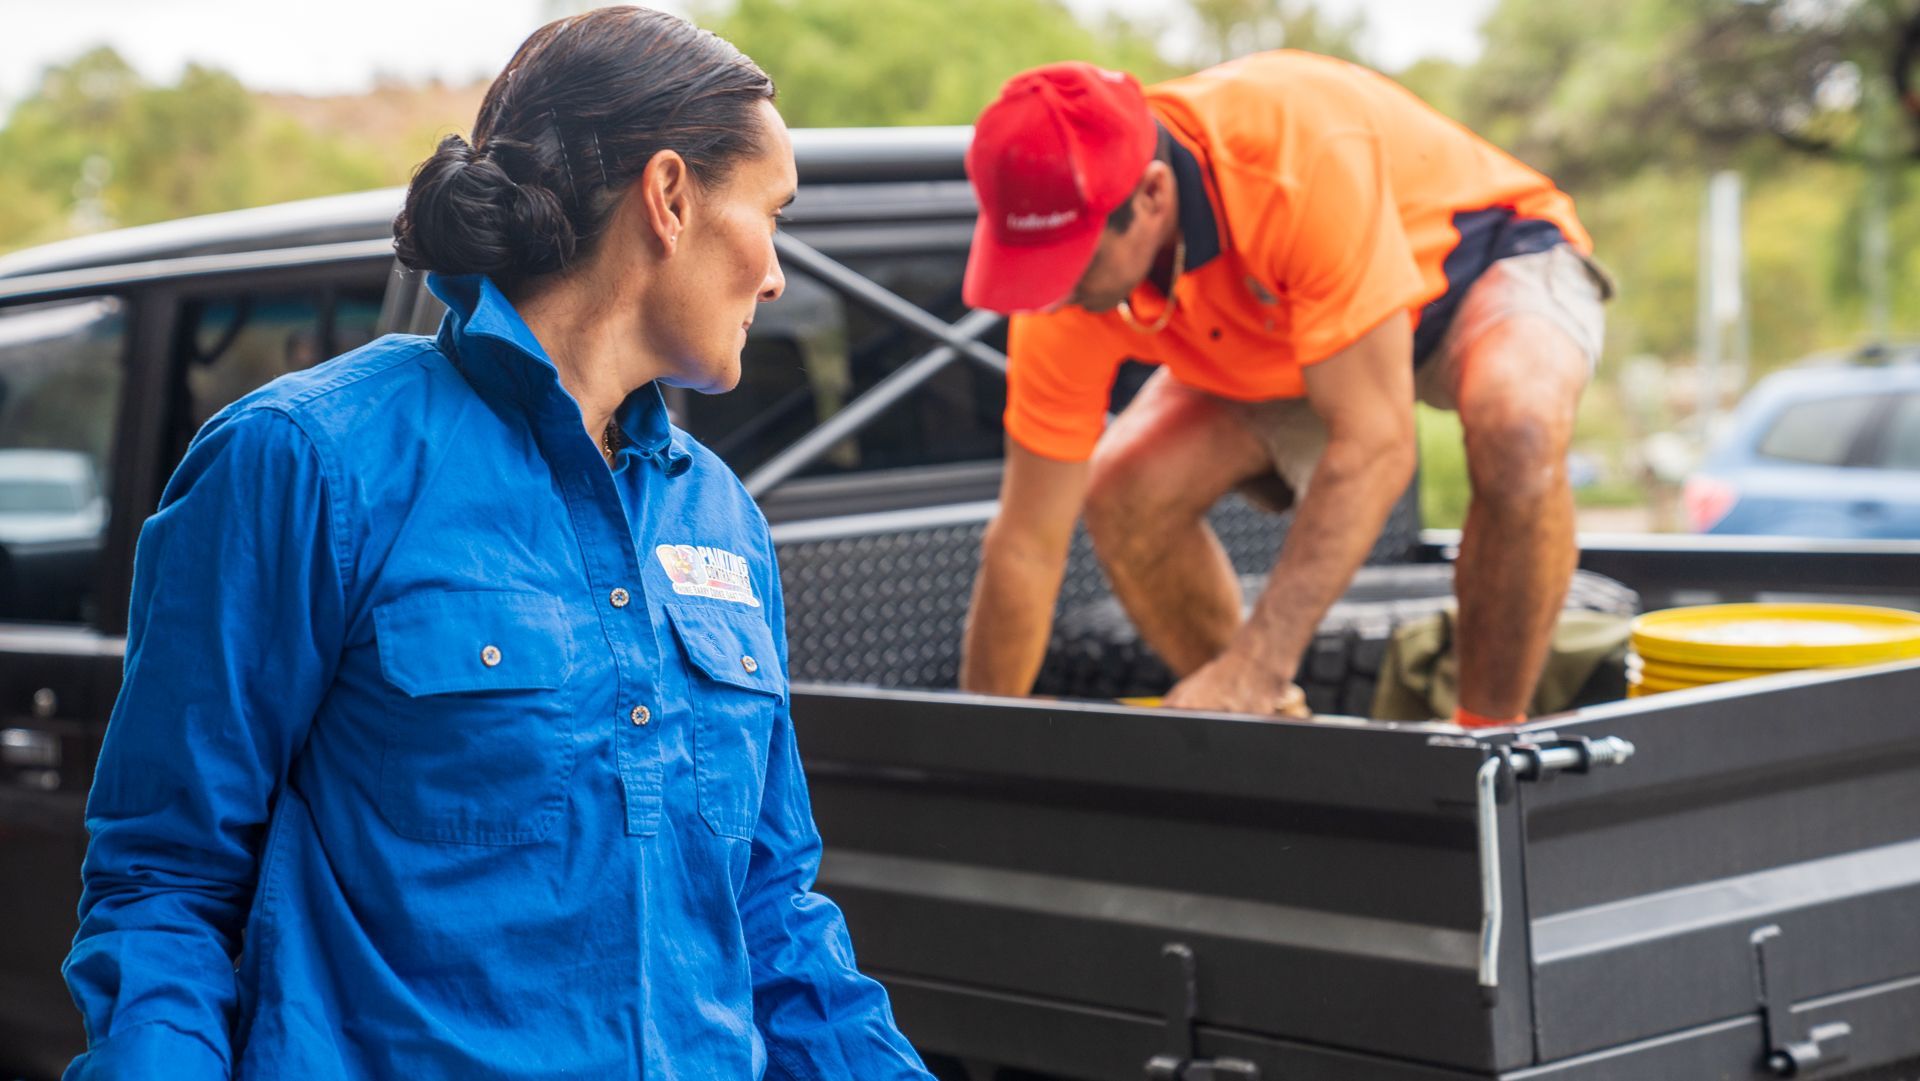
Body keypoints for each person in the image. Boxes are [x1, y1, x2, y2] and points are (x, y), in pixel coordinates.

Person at [61, 9, 932, 1079]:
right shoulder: (305, 463)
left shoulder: (721, 520)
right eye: (774, 215)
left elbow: (770, 912)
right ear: (669, 198)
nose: (777, 276)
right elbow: (167, 883)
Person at [956, 53, 1612, 727]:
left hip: (1478, 263)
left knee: (1518, 427)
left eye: (1075, 263)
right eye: (1034, 266)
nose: (1054, 294)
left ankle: (1488, 745)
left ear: (1152, 196)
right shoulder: (1064, 299)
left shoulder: (1291, 158)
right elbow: (1027, 542)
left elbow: (1378, 447)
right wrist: (975, 746)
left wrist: (1255, 663)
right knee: (1125, 488)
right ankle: (1277, 733)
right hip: (1303, 332)